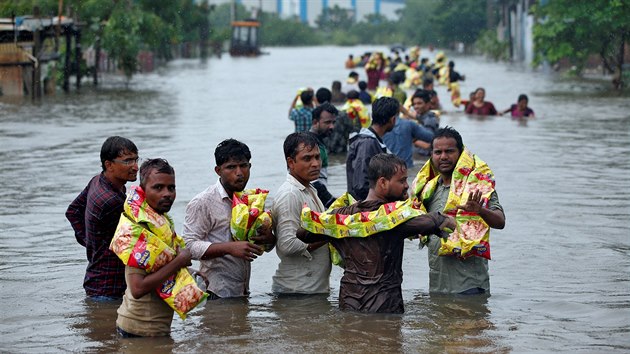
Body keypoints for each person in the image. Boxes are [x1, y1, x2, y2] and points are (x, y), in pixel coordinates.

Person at [297, 154, 456, 313]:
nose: (407, 186)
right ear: (383, 183)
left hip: (349, 301)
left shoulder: (342, 217)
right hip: (384, 304)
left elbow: (304, 234)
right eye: (401, 181)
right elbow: (429, 222)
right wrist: (446, 220)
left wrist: (334, 229)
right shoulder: (395, 219)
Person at [414, 127, 505, 294]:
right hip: (438, 286)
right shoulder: (427, 189)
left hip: (469, 287)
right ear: (431, 155)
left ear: (461, 153)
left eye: (449, 151)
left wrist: (480, 211)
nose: (443, 157)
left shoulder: (476, 186)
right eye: (438, 152)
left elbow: (500, 222)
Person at [183, 139, 275, 299]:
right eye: (231, 167)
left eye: (243, 165)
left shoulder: (251, 200)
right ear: (218, 170)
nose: (239, 172)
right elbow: (188, 247)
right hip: (215, 292)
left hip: (242, 291)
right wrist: (229, 248)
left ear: (250, 167)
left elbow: (263, 246)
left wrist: (268, 239)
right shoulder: (203, 202)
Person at [115, 158, 193, 337]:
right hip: (140, 330)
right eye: (158, 188)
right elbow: (137, 288)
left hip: (151, 328)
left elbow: (156, 266)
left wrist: (191, 272)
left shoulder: (160, 221)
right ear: (143, 191)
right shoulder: (140, 229)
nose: (167, 193)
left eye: (171, 188)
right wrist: (180, 261)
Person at [66, 136, 139, 300]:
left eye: (136, 159)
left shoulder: (97, 181)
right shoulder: (112, 201)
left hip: (96, 280)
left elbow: (72, 211)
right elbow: (137, 243)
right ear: (109, 164)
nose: (135, 167)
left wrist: (92, 243)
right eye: (127, 161)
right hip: (110, 288)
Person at [272, 132, 330, 295]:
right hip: (296, 292)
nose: (315, 164)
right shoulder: (290, 194)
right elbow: (287, 245)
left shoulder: (310, 188)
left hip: (310, 289)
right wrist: (330, 236)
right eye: (307, 158)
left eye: (317, 157)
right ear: (291, 162)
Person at [346, 97, 398, 200]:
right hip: (366, 207)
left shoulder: (373, 141)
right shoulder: (367, 143)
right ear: (392, 120)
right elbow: (361, 185)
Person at [309, 103, 338, 208]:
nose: (332, 126)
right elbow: (313, 182)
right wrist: (332, 203)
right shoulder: (311, 146)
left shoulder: (318, 142)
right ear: (315, 122)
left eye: (333, 122)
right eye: (327, 122)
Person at [411, 90, 440, 157]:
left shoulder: (429, 119)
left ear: (428, 104)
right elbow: (413, 116)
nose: (416, 106)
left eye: (419, 103)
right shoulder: (422, 116)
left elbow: (428, 144)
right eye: (414, 104)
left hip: (424, 156)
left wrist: (411, 139)